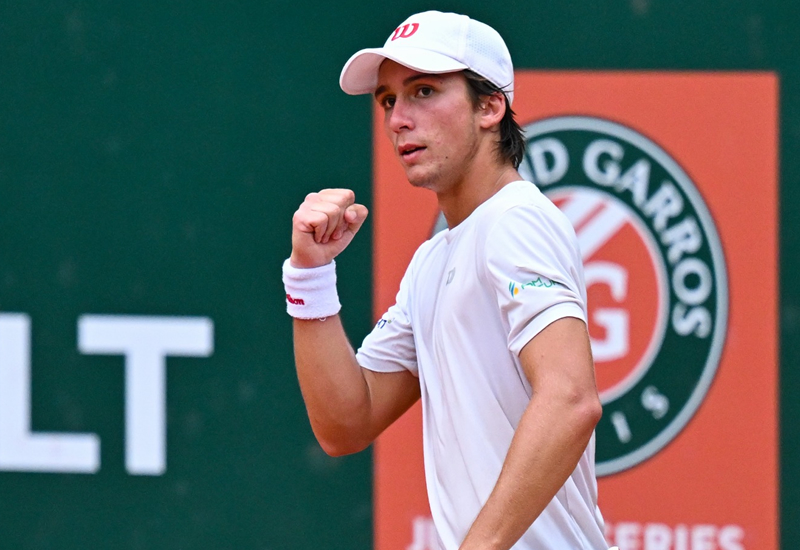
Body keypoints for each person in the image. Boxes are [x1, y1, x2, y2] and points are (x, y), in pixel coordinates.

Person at [282, 10, 609, 550]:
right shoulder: (433, 261)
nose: (397, 119)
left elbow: (571, 398)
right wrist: (310, 275)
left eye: (424, 91)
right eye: (388, 100)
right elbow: (346, 423)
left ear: (490, 106)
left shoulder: (515, 220)